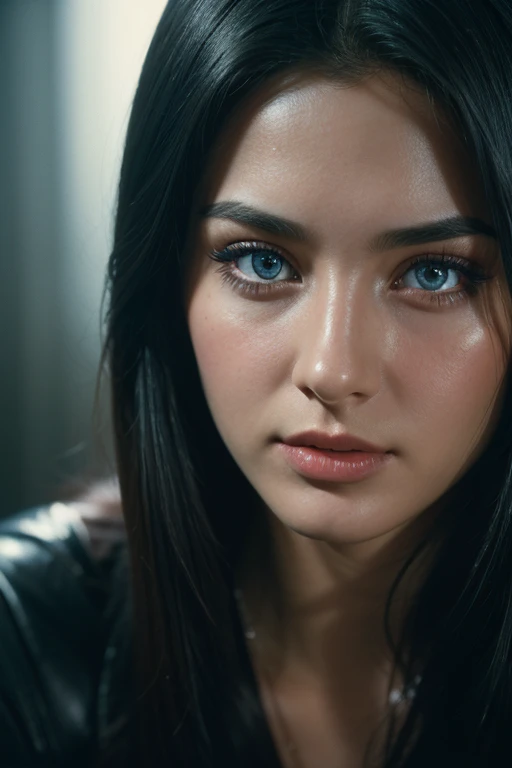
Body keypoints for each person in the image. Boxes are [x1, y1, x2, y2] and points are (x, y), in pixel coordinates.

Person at [3, 0, 512, 766]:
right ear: (166, 283)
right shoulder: (27, 642)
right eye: (262, 261)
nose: (333, 371)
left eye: (434, 273)